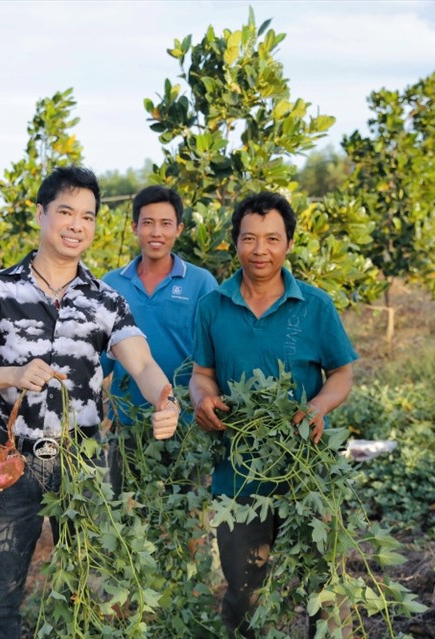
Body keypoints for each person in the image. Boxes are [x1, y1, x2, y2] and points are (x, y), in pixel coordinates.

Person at [0, 166, 181, 639]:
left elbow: (141, 364)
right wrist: (11, 374)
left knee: (88, 591)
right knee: (2, 598)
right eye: (66, 212)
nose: (77, 225)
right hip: (12, 461)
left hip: (84, 463)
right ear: (41, 214)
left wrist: (165, 397)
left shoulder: (106, 300)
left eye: (88, 217)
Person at [189, 192, 358, 639]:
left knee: (326, 587)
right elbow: (202, 375)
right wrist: (202, 399)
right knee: (245, 593)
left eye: (272, 239)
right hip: (239, 474)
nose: (259, 250)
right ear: (235, 242)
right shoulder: (212, 307)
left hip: (308, 469)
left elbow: (342, 374)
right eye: (249, 238)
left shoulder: (315, 305)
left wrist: (318, 406)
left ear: (289, 243)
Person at [102, 185, 217, 494]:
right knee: (126, 509)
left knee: (185, 509)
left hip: (186, 422)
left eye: (166, 223)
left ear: (179, 229)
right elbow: (99, 358)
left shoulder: (201, 282)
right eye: (148, 223)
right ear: (134, 227)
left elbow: (213, 352)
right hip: (127, 422)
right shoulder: (111, 284)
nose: (156, 232)